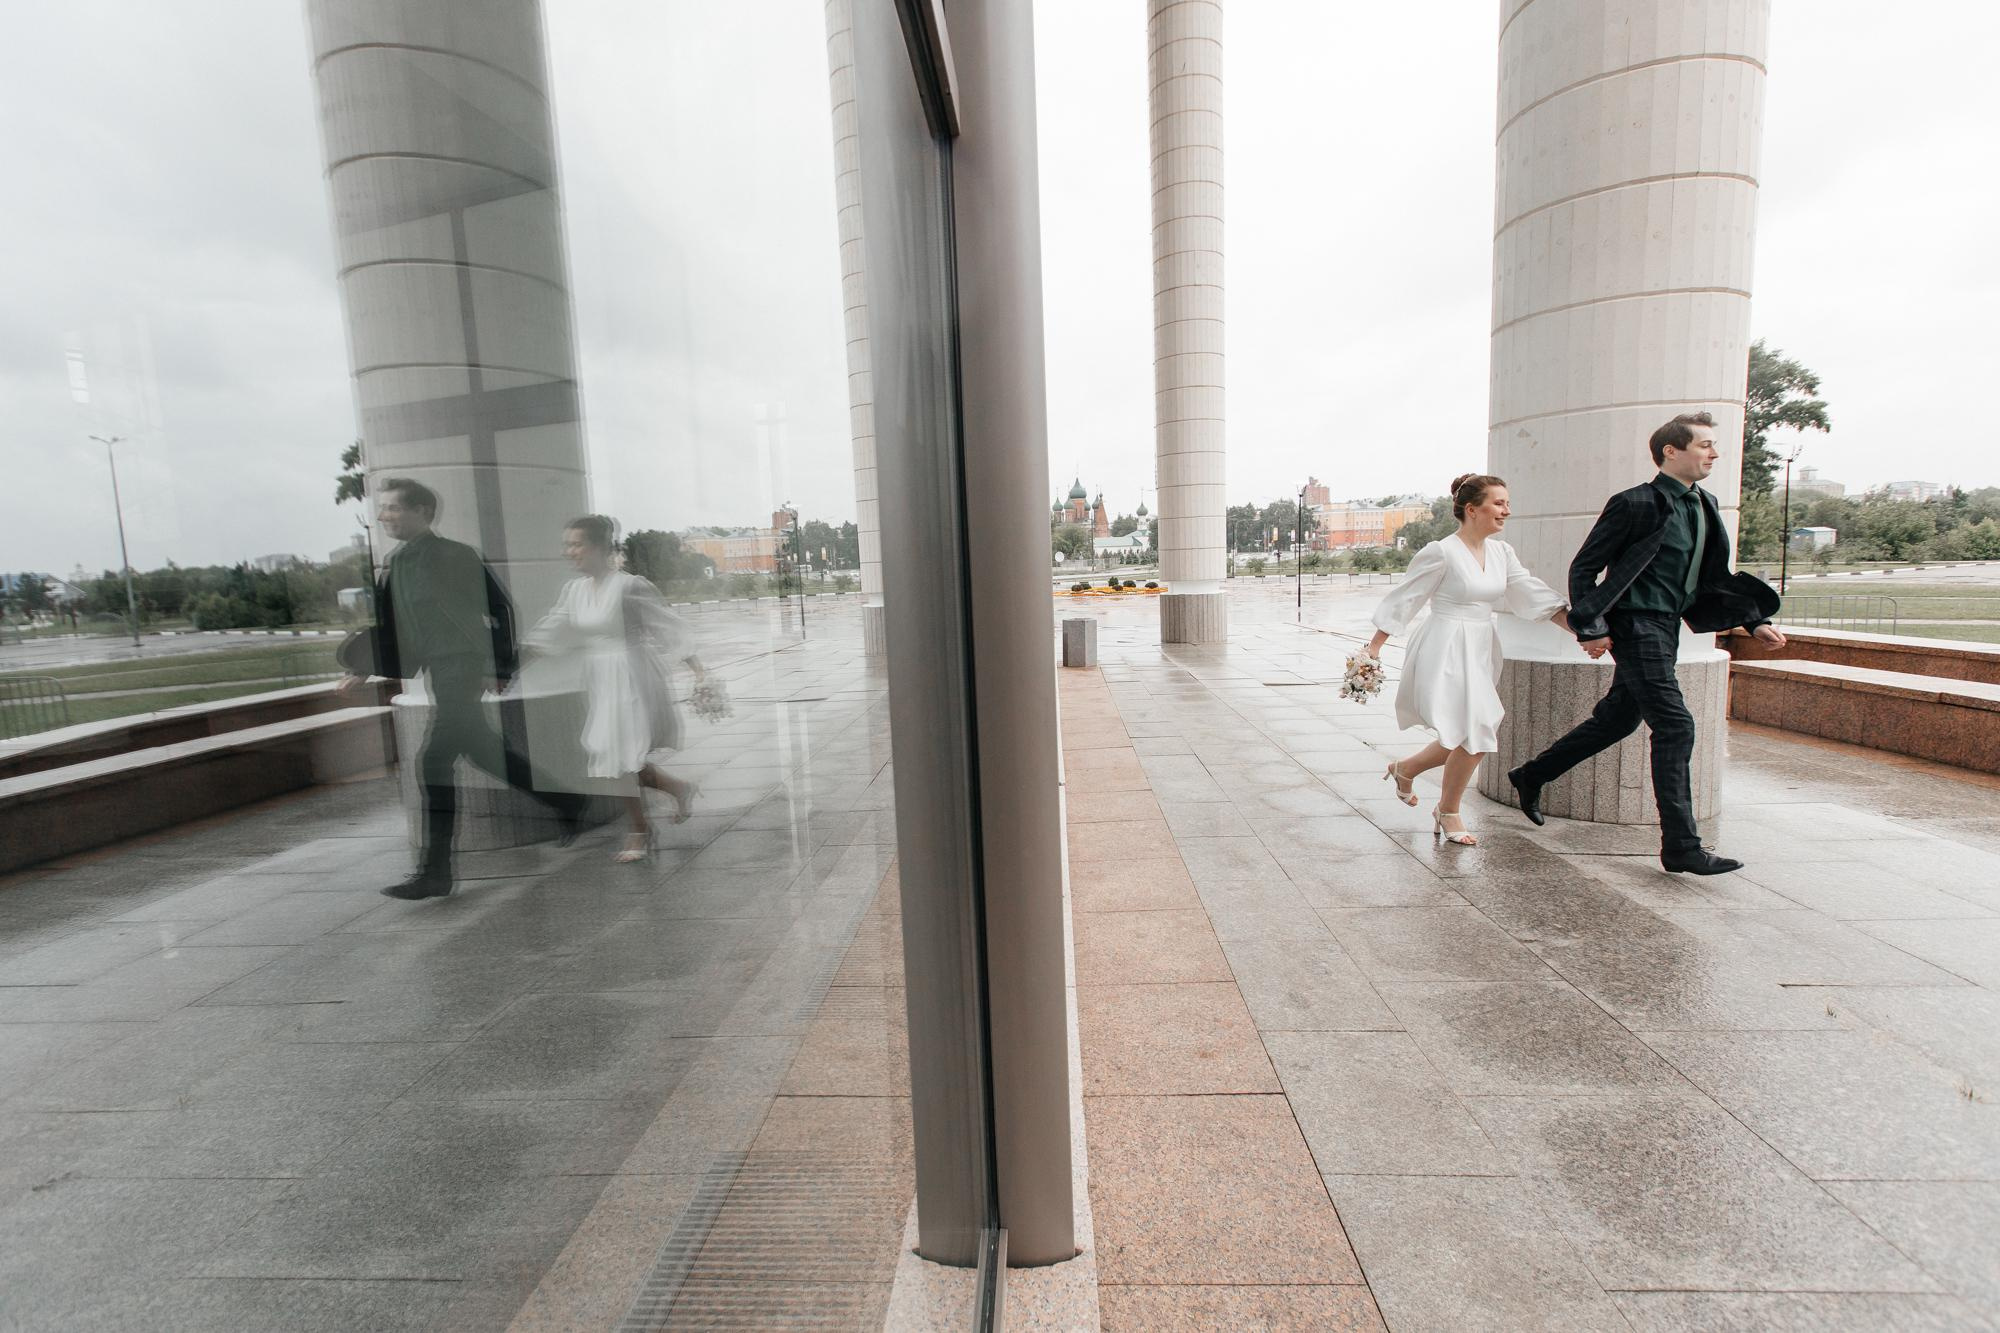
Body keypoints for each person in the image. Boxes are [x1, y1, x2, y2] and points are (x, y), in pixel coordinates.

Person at [1507, 411, 1785, 875]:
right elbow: (1584, 568)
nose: (1713, 453)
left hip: (1668, 626)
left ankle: (1531, 775)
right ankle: (1681, 845)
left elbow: (1712, 578)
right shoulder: (1635, 503)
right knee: (1676, 725)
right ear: (1670, 452)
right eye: (1703, 445)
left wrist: (1753, 621)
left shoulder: (1706, 504)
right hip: (1635, 626)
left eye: (1714, 446)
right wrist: (1592, 627)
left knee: (1617, 720)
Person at [338, 477, 584, 899]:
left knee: (431, 763)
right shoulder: (394, 565)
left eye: (394, 508)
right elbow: (393, 630)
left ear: (423, 512)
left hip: (465, 668)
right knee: (484, 750)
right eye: (383, 509)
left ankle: (434, 872)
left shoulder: (457, 556)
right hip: (439, 670)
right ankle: (568, 802)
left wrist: (502, 665)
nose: (384, 517)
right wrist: (365, 667)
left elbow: (501, 609)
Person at [1366, 474, 1573, 846]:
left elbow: (1527, 592)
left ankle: (1406, 769)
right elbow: (1406, 598)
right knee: (1476, 728)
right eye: (1498, 503)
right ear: (1472, 509)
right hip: (1444, 645)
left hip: (1479, 644)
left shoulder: (1502, 553)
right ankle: (1447, 809)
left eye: (1507, 503)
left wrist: (1577, 628)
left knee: (1468, 730)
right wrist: (1374, 648)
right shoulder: (1440, 551)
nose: (1506, 510)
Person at [524, 515, 704, 864]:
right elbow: (552, 630)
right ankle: (678, 789)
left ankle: (639, 828)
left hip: (632, 677)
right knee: (615, 755)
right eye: (567, 544)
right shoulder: (574, 591)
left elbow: (668, 627)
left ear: (599, 547)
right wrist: (508, 667)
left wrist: (699, 673)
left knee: (619, 757)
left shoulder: (629, 586)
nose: (569, 552)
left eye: (575, 544)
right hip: (601, 679)